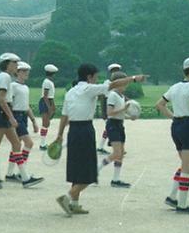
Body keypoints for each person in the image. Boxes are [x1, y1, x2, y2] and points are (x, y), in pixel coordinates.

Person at [54, 64, 146, 216]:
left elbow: (64, 115)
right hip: (85, 130)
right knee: (89, 171)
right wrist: (135, 78)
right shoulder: (89, 89)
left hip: (73, 131)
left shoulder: (71, 92)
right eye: (96, 77)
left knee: (77, 168)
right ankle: (67, 197)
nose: (97, 80)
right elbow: (113, 84)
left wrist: (59, 134)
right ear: (89, 77)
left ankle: (74, 204)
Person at [0, 53, 44, 189]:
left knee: (6, 145)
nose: (16, 66)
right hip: (3, 111)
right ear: (8, 64)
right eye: (15, 63)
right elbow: (2, 99)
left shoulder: (3, 77)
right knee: (5, 145)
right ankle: (23, 177)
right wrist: (11, 117)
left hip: (2, 110)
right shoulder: (5, 77)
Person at [156, 57, 189, 215]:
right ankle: (182, 204)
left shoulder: (175, 87)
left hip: (176, 126)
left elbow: (159, 105)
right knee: (187, 168)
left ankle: (173, 196)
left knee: (184, 164)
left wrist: (173, 117)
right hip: (188, 126)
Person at [97, 71, 134, 188]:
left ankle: (116, 179)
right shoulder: (112, 95)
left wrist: (129, 116)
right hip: (112, 124)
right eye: (124, 83)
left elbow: (120, 113)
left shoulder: (121, 96)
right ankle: (96, 169)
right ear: (118, 83)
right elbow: (110, 113)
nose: (126, 85)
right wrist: (124, 108)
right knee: (117, 153)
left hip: (119, 124)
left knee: (121, 153)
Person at [7, 61, 39, 180]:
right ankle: (22, 170)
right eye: (24, 71)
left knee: (16, 145)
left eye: (27, 71)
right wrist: (11, 118)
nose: (26, 73)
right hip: (16, 116)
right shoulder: (13, 86)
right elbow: (9, 103)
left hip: (23, 116)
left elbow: (26, 106)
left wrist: (33, 120)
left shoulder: (25, 87)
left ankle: (10, 173)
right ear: (17, 72)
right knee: (28, 143)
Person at [97, 63, 123, 153]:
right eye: (114, 71)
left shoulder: (120, 84)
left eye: (117, 71)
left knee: (111, 128)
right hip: (110, 111)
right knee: (111, 128)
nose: (115, 73)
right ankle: (108, 146)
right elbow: (103, 98)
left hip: (117, 111)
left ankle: (104, 146)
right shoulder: (107, 83)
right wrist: (104, 112)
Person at [38, 64, 58, 150]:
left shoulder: (49, 82)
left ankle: (43, 142)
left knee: (47, 123)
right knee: (45, 123)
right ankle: (42, 144)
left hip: (49, 101)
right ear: (52, 74)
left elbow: (51, 96)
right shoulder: (46, 82)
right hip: (45, 102)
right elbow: (45, 96)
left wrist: (53, 106)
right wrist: (49, 107)